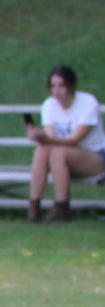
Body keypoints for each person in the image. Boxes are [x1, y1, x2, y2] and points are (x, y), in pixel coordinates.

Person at [26, 64, 103, 223]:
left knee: (57, 151)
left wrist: (46, 139)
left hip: (95, 157)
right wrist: (39, 136)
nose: (57, 91)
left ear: (71, 85)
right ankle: (34, 206)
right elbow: (51, 136)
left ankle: (62, 208)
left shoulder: (87, 103)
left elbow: (75, 140)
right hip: (62, 160)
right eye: (53, 86)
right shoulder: (49, 104)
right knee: (42, 150)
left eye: (61, 86)